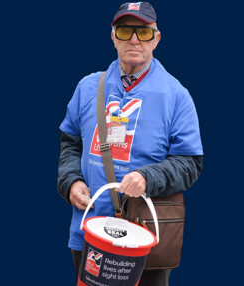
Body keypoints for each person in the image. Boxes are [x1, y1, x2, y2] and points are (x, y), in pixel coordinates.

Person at [57, 2, 203, 285]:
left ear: (156, 39)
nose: (134, 39)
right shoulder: (88, 87)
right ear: (113, 36)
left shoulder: (176, 95)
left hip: (144, 238)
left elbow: (190, 164)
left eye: (143, 32)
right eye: (125, 31)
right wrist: (71, 181)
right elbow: (70, 143)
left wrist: (148, 178)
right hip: (91, 233)